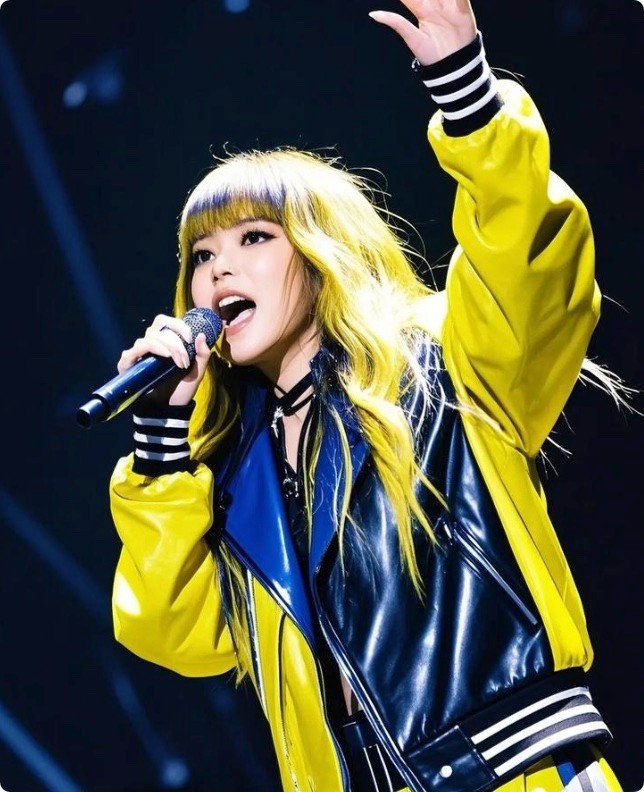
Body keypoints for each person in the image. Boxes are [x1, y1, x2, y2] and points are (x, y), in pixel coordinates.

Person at [108, 1, 626, 790]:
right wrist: (161, 447)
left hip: (511, 765)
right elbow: (178, 633)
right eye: (200, 253)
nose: (218, 270)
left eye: (254, 238)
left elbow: (528, 253)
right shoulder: (238, 472)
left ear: (323, 254)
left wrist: (467, 90)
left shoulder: (440, 364)